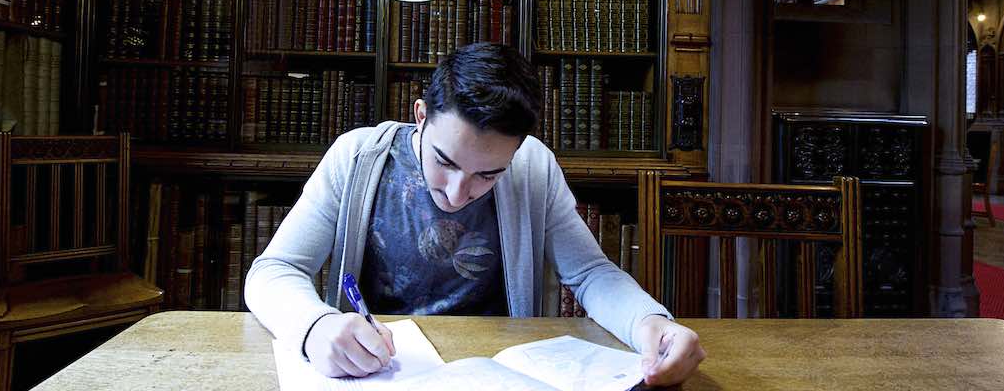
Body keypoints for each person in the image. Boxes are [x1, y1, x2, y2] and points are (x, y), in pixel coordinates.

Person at [243, 43, 704, 386]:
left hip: (497, 372)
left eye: (488, 175)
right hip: (376, 371)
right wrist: (315, 326)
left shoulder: (533, 166)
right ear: (420, 115)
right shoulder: (358, 156)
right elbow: (273, 271)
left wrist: (651, 324)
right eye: (444, 161)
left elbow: (590, 273)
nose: (458, 192)